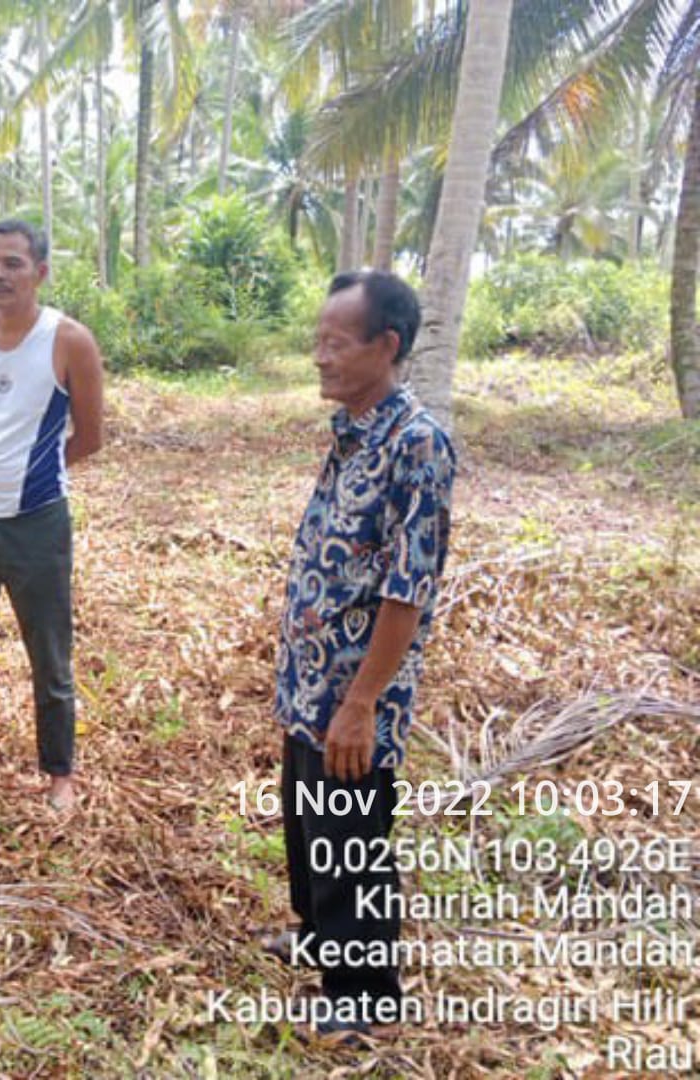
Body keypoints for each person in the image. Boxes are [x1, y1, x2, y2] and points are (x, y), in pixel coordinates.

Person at [265, 270, 456, 1040]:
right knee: (310, 827)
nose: (320, 357)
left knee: (351, 838)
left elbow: (407, 590)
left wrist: (362, 700)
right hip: (310, 682)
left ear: (387, 346)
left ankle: (365, 995)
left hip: (353, 691)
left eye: (336, 343)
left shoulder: (417, 444)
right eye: (317, 341)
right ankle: (320, 939)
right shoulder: (352, 432)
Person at [0, 220, 104, 811]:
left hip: (37, 521)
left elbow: (91, 436)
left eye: (13, 263)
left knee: (49, 648)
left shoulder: (69, 341)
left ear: (41, 272)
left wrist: (35, 480)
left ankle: (60, 772)